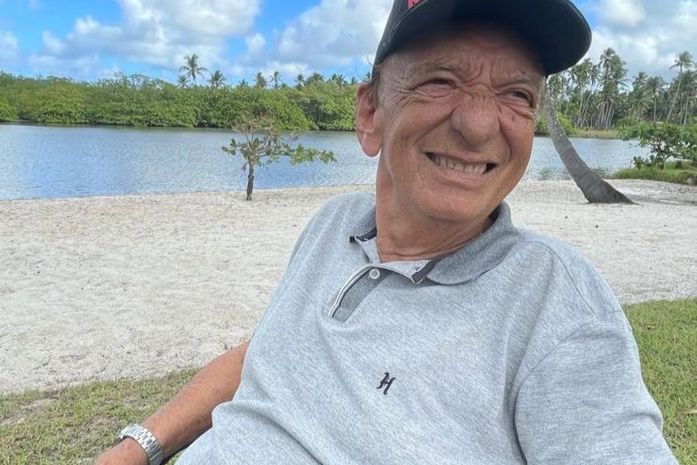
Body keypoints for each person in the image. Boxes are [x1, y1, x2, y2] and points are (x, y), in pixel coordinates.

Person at [97, 0, 679, 464]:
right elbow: (269, 351)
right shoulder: (333, 224)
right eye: (441, 81)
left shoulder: (554, 303)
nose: (480, 125)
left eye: (517, 95)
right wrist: (136, 449)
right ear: (370, 114)